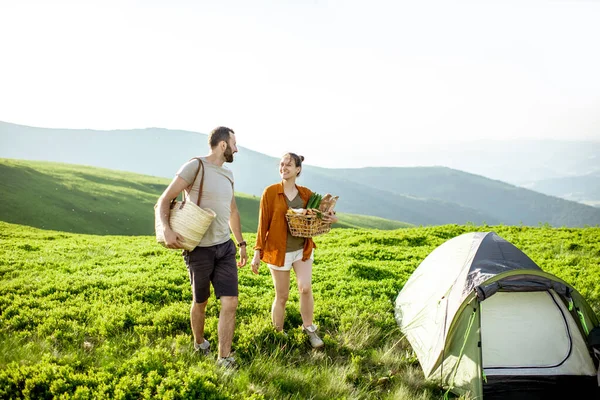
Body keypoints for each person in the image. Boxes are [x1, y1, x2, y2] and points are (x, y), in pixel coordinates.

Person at [156, 126, 247, 368]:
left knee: (230, 302)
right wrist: (166, 229)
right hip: (199, 249)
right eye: (234, 144)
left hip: (224, 247)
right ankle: (199, 343)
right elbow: (164, 199)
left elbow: (233, 211)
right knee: (201, 302)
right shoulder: (195, 166)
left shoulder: (228, 175)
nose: (236, 149)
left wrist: (241, 243)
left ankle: (223, 358)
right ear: (223, 145)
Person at [250, 153, 337, 348]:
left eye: (289, 165)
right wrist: (257, 252)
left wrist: (332, 217)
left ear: (298, 169)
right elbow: (262, 224)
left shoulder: (305, 194)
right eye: (282, 164)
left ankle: (309, 328)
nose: (284, 167)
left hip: (302, 248)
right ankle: (278, 334)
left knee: (305, 288)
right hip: (278, 251)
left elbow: (320, 213)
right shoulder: (270, 192)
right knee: (282, 296)